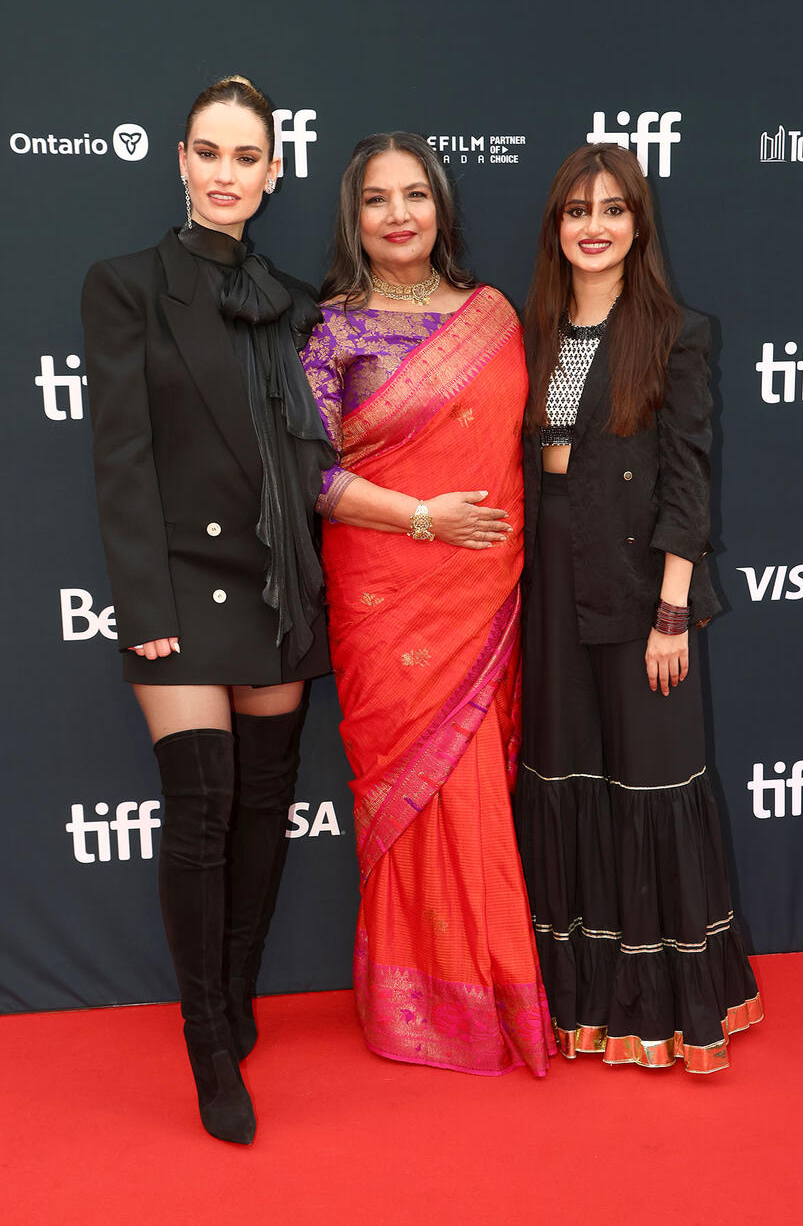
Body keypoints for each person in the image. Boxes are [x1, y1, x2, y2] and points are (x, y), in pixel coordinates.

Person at [81, 76, 334, 1142]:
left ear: (275, 173)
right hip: (182, 583)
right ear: (179, 161)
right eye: (209, 152)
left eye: (247, 157)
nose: (227, 174)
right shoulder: (126, 285)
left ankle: (234, 997)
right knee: (200, 810)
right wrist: (142, 602)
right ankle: (204, 1045)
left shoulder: (294, 299)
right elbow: (122, 459)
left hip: (278, 587)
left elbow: (314, 456)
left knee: (264, 811)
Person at [300, 132, 556, 1077]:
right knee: (407, 794)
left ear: (441, 207)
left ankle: (489, 990)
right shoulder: (333, 331)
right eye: (377, 199)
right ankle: (420, 1005)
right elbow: (312, 475)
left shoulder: (493, 315)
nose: (399, 214)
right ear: (353, 218)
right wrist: (423, 520)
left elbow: (528, 446)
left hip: (480, 598)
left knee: (477, 785)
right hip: (384, 593)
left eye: (415, 194)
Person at [515, 143, 762, 1073]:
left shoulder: (676, 332)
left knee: (652, 786)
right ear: (556, 226)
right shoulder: (531, 331)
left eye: (613, 209)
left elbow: (687, 485)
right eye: (577, 211)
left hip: (637, 586)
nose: (594, 226)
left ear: (638, 225)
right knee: (566, 776)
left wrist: (672, 613)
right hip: (546, 585)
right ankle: (580, 1003)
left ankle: (669, 1011)